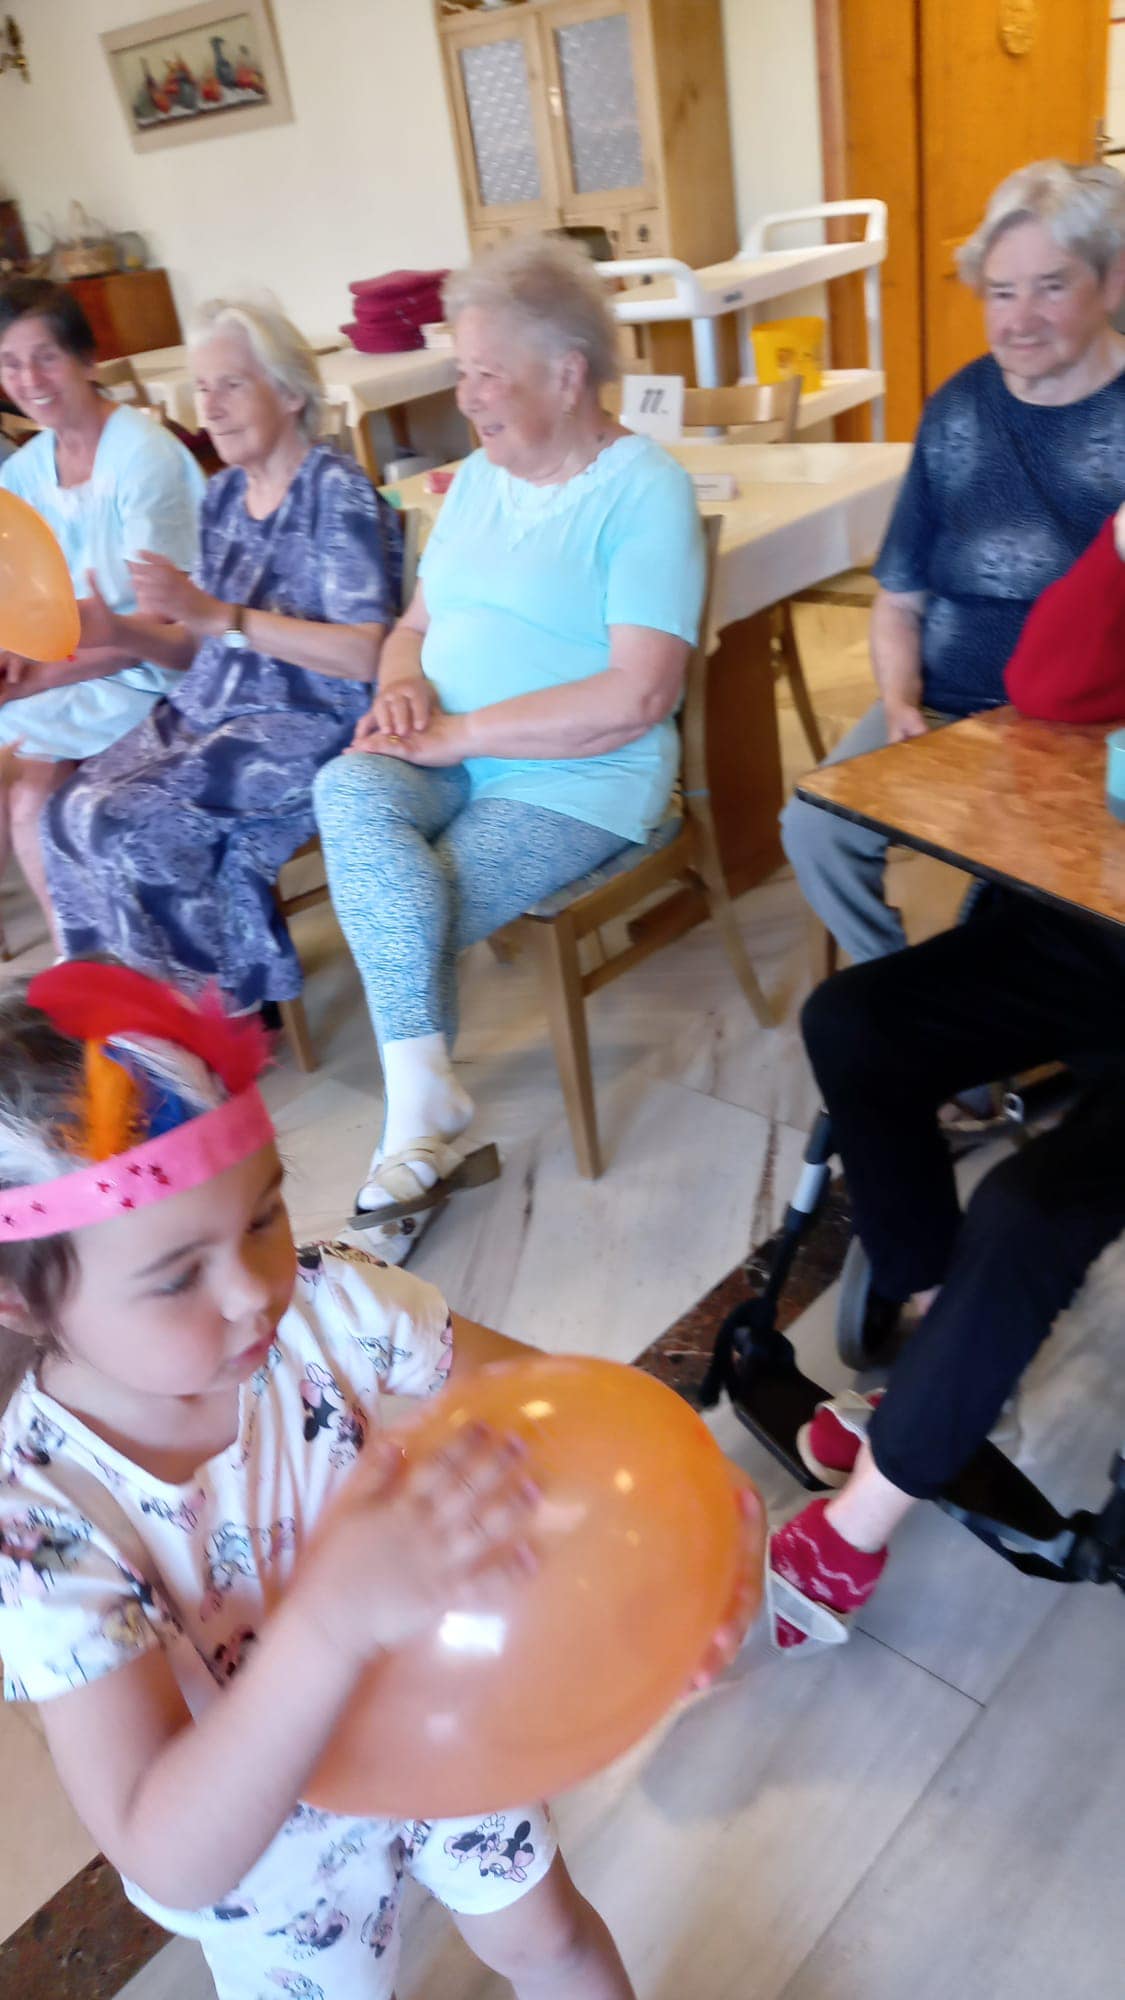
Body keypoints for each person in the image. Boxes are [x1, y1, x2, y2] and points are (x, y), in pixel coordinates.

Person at [0, 962, 640, 1999]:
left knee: (551, 1938)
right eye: (176, 1275)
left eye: (263, 1216)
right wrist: (332, 1623)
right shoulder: (40, 1525)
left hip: (439, 1714)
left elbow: (558, 1411)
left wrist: (668, 1549)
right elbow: (164, 1849)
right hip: (270, 1860)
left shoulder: (331, 1303)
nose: (252, 1292)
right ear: (21, 1302)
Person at [765, 508, 1125, 1646]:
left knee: (1031, 1206)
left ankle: (855, 1529)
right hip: (1093, 924)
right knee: (857, 1021)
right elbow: (1048, 687)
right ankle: (936, 1347)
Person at [314, 235, 705, 1228]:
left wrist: (459, 734)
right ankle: (424, 1108)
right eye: (463, 372)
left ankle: (413, 1132)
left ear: (567, 375)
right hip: (444, 743)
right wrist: (401, 687)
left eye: (487, 373)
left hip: (578, 777)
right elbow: (412, 626)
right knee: (343, 788)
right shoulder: (478, 479)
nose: (467, 396)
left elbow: (637, 695)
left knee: (414, 903)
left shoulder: (645, 488)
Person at [780, 159, 1125, 963]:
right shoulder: (957, 407)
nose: (1018, 320)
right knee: (814, 828)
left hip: (1083, 725)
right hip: (939, 710)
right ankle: (889, 981)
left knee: (1026, 899)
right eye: (1000, 293)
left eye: (1049, 287)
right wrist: (898, 701)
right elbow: (898, 598)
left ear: (1111, 283)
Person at [38, 297, 401, 1011]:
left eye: (232, 384)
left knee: (128, 825)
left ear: (289, 393)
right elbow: (196, 648)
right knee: (67, 810)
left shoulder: (336, 491)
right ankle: (126, 1015)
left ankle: (211, 1020)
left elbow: (365, 656)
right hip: (211, 714)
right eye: (203, 388)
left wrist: (222, 616)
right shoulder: (224, 497)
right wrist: (116, 629)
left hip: (309, 721)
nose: (211, 407)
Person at [0, 279, 205, 936]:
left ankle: (97, 960)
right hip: (69, 672)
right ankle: (86, 962)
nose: (29, 380)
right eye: (10, 363)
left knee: (31, 796)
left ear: (87, 360)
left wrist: (36, 675)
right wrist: (13, 656)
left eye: (46, 357)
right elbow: (19, 600)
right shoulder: (22, 474)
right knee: (25, 790)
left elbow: (163, 627)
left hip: (153, 670)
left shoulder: (142, 457)